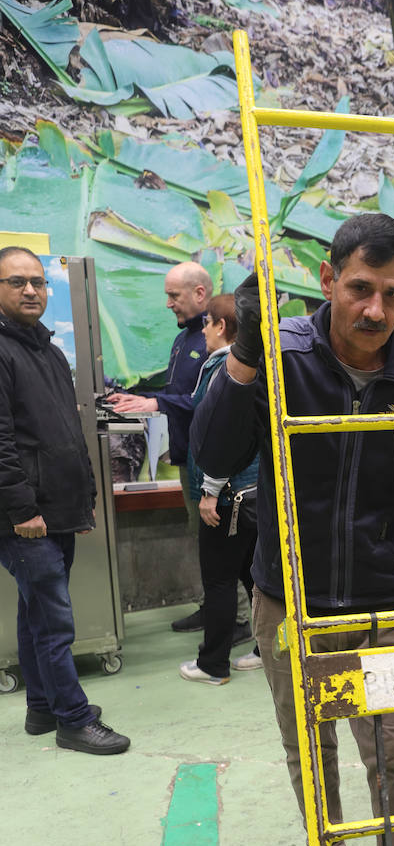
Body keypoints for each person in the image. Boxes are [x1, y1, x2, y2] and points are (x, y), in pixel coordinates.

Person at [191, 214, 394, 846]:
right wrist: (245, 362)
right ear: (327, 279)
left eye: (390, 294)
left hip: (389, 605)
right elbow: (214, 452)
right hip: (290, 601)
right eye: (359, 289)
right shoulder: (282, 359)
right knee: (308, 748)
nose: (374, 311)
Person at [0, 246, 130, 755]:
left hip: (56, 506)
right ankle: (73, 720)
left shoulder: (48, 350)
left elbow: (67, 433)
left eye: (37, 281)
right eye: (16, 282)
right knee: (54, 619)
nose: (31, 290)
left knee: (36, 612)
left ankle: (42, 707)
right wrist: (21, 510)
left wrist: (85, 497)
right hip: (25, 515)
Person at [109, 263, 252, 645]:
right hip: (193, 458)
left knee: (222, 546)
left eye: (175, 295)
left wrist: (153, 400)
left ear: (201, 295)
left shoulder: (222, 355)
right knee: (203, 540)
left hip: (215, 468)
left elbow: (207, 406)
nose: (169, 304)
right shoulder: (184, 340)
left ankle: (237, 618)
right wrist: (144, 399)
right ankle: (218, 607)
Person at [180, 295, 260, 685]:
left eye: (208, 321)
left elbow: (220, 433)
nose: (204, 330)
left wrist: (209, 490)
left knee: (219, 580)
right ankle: (267, 647)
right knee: (254, 575)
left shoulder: (224, 370)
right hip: (257, 493)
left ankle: (213, 664)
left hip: (228, 493)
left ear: (223, 326)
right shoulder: (263, 367)